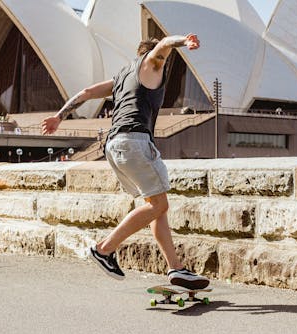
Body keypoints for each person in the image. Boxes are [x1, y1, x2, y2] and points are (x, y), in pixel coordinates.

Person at [41, 33, 209, 289]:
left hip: (114, 145)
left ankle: (176, 269)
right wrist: (184, 41)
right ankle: (104, 249)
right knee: (159, 204)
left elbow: (86, 93)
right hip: (134, 141)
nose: (162, 63)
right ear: (151, 56)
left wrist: (58, 117)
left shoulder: (121, 77)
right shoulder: (152, 64)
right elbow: (164, 44)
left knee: (156, 205)